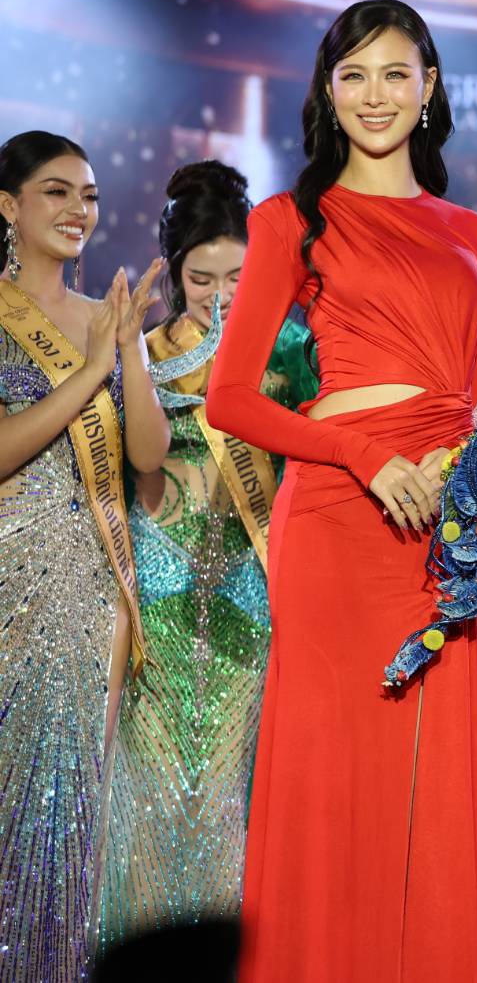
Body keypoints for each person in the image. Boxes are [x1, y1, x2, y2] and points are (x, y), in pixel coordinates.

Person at [205, 0, 477, 981]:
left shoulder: (474, 232)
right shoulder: (289, 220)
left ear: (429, 87)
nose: (375, 95)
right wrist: (363, 457)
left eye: (394, 73)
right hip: (340, 521)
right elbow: (230, 399)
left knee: (438, 781)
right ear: (328, 92)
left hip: (447, 527)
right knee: (335, 777)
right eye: (354, 75)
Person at [98, 160, 316, 944]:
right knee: (147, 794)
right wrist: (131, 351)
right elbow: (141, 461)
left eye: (237, 276)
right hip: (155, 588)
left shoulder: (290, 350)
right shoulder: (142, 348)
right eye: (200, 278)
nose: (219, 295)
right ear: (172, 269)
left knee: (229, 793)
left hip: (247, 590)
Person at [0, 130, 168, 981]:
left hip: (94, 588)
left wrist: (127, 348)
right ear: (8, 205)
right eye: (57, 191)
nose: (78, 210)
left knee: (69, 810)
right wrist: (90, 367)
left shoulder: (107, 318)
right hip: (10, 583)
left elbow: (147, 457)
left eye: (91, 195)